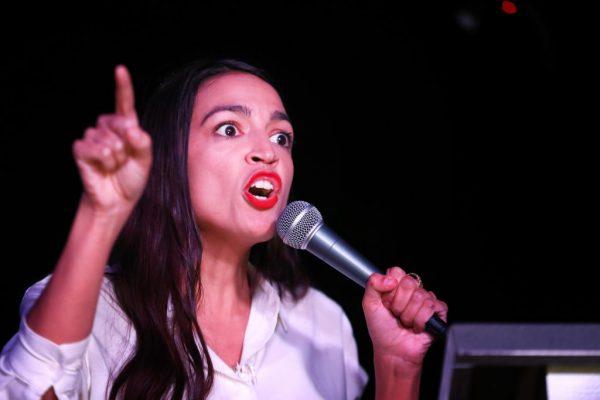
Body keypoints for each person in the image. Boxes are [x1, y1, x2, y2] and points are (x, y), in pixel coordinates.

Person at [0, 59, 448, 400]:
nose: (267, 153)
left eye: (281, 137)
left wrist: (397, 367)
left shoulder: (322, 321)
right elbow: (32, 385)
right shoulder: (88, 310)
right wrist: (102, 211)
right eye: (230, 128)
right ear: (168, 159)